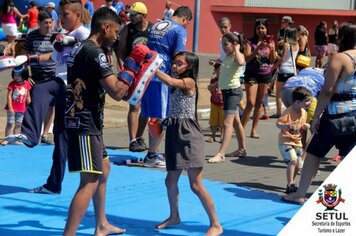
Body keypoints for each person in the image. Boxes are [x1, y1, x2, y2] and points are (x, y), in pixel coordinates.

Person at [6, 0, 90, 195]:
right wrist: (27, 58)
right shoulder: (65, 36)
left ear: (77, 15)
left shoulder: (83, 35)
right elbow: (51, 57)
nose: (60, 18)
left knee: (41, 91)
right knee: (61, 140)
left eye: (65, 14)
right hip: (61, 86)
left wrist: (74, 44)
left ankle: (32, 137)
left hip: (72, 89)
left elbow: (94, 51)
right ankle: (52, 182)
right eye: (59, 14)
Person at [63, 7, 129, 235]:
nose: (117, 36)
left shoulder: (81, 47)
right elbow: (117, 92)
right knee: (90, 180)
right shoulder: (95, 53)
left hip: (88, 121)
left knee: (105, 167)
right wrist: (133, 70)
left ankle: (101, 224)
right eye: (116, 31)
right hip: (84, 123)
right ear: (106, 27)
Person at [282, 22, 356, 205]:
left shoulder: (339, 58)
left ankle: (300, 193)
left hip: (335, 115)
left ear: (342, 37)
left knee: (314, 153)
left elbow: (327, 91)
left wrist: (316, 116)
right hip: (354, 113)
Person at [154, 51, 223, 236]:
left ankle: (216, 224)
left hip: (189, 135)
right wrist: (164, 121)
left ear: (189, 67)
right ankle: (174, 216)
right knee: (170, 181)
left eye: (179, 64)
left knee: (196, 185)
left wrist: (151, 68)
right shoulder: (176, 84)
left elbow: (168, 81)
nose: (174, 66)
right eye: (173, 63)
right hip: (175, 131)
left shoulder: (189, 82)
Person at [141, 6, 193, 168]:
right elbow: (179, 56)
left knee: (155, 116)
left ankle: (153, 153)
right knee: (161, 117)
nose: (186, 26)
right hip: (163, 74)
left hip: (149, 72)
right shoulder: (180, 30)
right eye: (187, 23)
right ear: (185, 19)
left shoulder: (157, 25)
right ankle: (152, 155)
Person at [118, 1, 152, 152]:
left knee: (146, 109)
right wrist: (122, 68)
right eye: (129, 14)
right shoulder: (128, 29)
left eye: (133, 14)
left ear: (143, 15)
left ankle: (139, 137)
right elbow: (120, 50)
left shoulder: (152, 29)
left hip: (148, 72)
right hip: (132, 71)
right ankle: (132, 140)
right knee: (134, 106)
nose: (130, 17)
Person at [208, 32, 246, 163]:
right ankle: (242, 149)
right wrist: (215, 85)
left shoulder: (236, 55)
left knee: (226, 123)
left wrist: (237, 48)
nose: (223, 47)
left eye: (226, 44)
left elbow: (241, 62)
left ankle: (221, 154)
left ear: (234, 44)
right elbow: (225, 75)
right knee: (235, 122)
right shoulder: (228, 57)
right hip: (226, 91)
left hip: (233, 92)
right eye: (222, 44)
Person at [21, 10, 56, 145]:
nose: (48, 25)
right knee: (35, 105)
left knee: (51, 106)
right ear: (39, 23)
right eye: (46, 23)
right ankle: (32, 133)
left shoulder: (55, 36)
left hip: (52, 75)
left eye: (50, 22)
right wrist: (26, 76)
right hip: (36, 76)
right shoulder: (31, 36)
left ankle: (46, 134)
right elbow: (23, 56)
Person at [242, 18, 277, 139]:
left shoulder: (270, 42)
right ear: (255, 30)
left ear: (266, 29)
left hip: (265, 74)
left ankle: (254, 130)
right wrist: (257, 48)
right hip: (252, 73)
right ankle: (241, 128)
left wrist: (272, 49)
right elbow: (246, 59)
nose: (260, 30)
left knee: (259, 102)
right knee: (250, 103)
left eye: (263, 28)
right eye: (258, 28)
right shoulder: (249, 42)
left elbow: (272, 61)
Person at [277, 86, 312, 194]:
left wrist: (305, 126)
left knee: (298, 164)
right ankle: (290, 184)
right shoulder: (288, 112)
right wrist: (285, 126)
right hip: (286, 140)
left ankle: (292, 182)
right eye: (307, 101)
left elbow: (301, 125)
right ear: (297, 102)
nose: (309, 103)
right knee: (293, 160)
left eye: (310, 100)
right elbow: (278, 123)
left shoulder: (304, 112)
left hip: (297, 141)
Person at [1, 65, 31, 146]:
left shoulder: (27, 84)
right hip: (12, 109)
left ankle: (15, 139)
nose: (16, 77)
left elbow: (28, 96)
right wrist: (10, 108)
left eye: (18, 75)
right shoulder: (12, 84)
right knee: (10, 123)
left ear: (24, 75)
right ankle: (6, 139)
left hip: (21, 109)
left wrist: (30, 106)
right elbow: (9, 96)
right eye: (14, 75)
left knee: (18, 124)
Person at [272, 28, 299, 118]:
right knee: (291, 93)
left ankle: (279, 112)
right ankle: (292, 111)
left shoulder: (286, 45)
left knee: (279, 93)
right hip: (293, 71)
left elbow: (282, 59)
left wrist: (274, 66)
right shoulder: (297, 45)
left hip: (284, 70)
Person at [207, 62, 224, 143]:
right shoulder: (213, 79)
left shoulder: (226, 80)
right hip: (214, 103)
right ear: (215, 70)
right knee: (213, 121)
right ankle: (213, 136)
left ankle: (222, 136)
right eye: (219, 70)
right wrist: (212, 89)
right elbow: (210, 89)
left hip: (223, 104)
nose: (221, 71)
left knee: (222, 122)